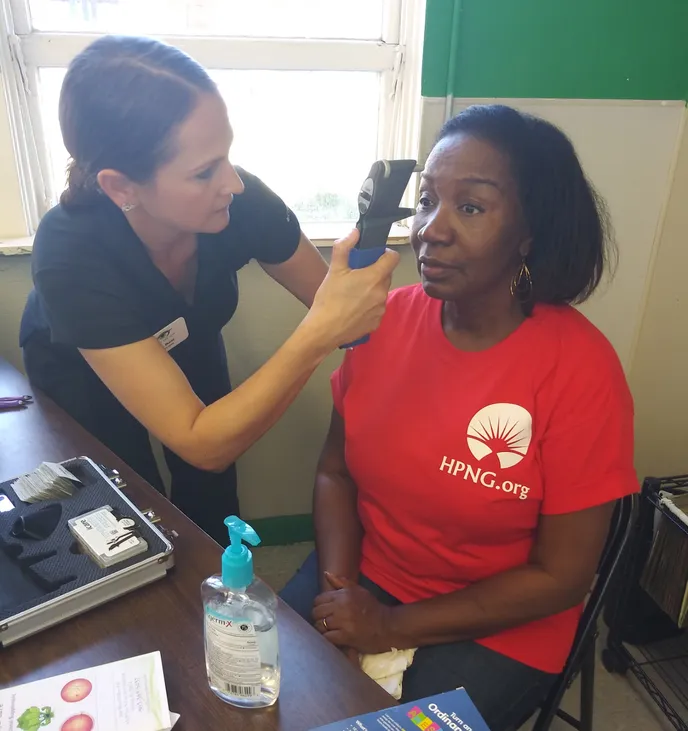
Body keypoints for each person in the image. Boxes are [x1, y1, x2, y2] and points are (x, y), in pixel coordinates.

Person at [280, 105, 638, 730]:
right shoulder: (383, 321)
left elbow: (560, 578)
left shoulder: (581, 372)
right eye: (426, 201)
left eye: (470, 207)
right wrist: (341, 590)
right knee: (253, 698)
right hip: (368, 573)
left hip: (501, 624)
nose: (430, 230)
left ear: (530, 231)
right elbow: (337, 471)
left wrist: (389, 627)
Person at [19, 35, 398, 545]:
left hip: (190, 339)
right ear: (120, 187)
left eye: (226, 157)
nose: (233, 183)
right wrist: (319, 334)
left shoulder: (239, 200)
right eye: (203, 171)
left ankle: (219, 594)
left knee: (214, 497)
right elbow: (201, 440)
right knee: (123, 507)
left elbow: (338, 301)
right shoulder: (71, 252)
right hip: (81, 366)